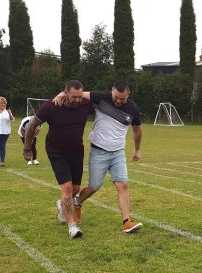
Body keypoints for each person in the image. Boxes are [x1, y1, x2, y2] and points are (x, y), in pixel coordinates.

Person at [54, 80, 143, 233]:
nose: (118, 101)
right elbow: (78, 94)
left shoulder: (133, 109)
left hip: (118, 153)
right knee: (94, 187)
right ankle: (78, 202)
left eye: (123, 98)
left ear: (128, 95)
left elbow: (137, 130)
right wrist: (61, 94)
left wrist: (136, 150)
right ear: (112, 91)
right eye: (116, 97)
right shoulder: (101, 97)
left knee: (123, 185)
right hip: (98, 151)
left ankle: (126, 222)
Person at [23, 80, 94, 239]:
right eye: (73, 96)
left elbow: (104, 98)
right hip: (56, 151)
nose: (77, 100)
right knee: (67, 188)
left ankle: (62, 204)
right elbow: (32, 125)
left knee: (76, 188)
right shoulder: (51, 106)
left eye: (79, 97)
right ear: (65, 93)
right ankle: (72, 226)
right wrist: (27, 148)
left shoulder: (86, 104)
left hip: (76, 151)